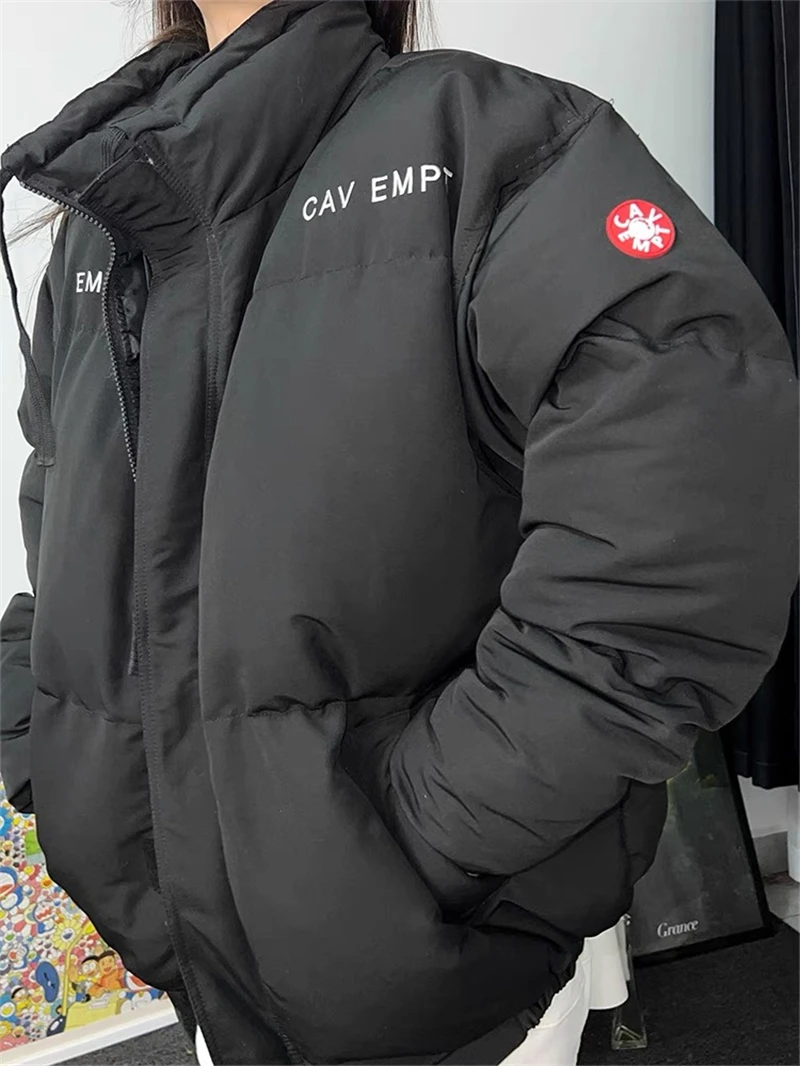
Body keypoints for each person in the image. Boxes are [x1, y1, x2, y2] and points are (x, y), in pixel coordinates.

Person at [0, 2, 796, 1064]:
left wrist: (414, 836)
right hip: (196, 959)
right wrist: (48, 752)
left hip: (448, 965)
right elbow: (63, 517)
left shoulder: (499, 151)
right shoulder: (101, 219)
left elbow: (676, 543)